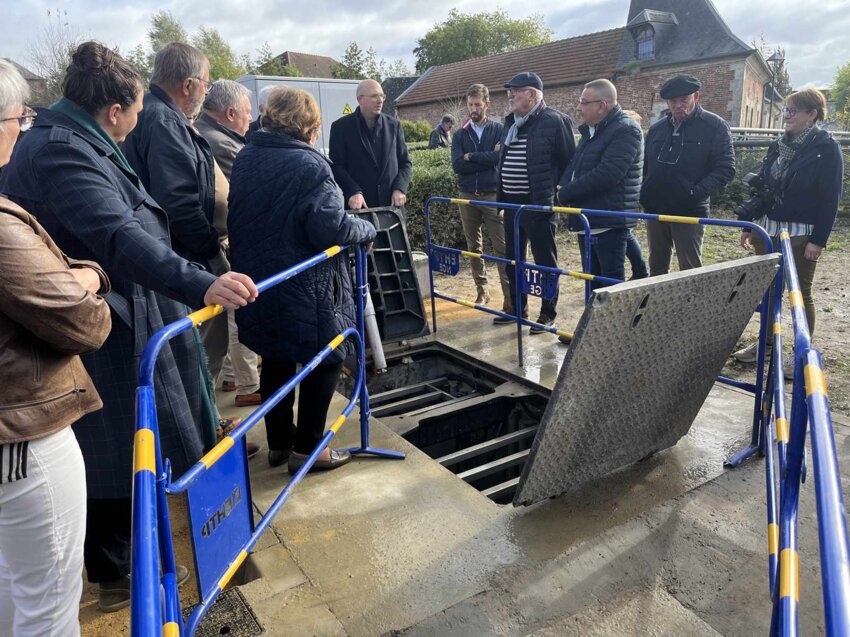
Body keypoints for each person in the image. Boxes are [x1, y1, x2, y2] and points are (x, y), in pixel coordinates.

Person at [0, 41, 258, 613]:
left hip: (127, 310)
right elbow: (119, 233)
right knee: (112, 454)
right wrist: (198, 282)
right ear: (113, 111)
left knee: (128, 450)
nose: (138, 123)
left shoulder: (76, 140)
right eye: (135, 111)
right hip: (106, 327)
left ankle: (129, 563)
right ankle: (118, 575)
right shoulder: (60, 152)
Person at [0, 58, 111, 637]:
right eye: (19, 117)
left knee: (13, 588)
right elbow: (84, 324)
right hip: (23, 435)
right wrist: (89, 281)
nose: (23, 128)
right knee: (48, 604)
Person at [229, 87, 376, 472]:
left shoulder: (248, 156)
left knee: (276, 358)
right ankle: (308, 450)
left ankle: (279, 442)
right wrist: (365, 230)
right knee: (329, 356)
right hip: (305, 284)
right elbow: (330, 226)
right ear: (309, 125)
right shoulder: (309, 165)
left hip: (261, 281)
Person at [122, 43, 235, 409]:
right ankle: (206, 428)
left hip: (175, 253)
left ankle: (206, 421)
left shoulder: (156, 115)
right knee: (197, 347)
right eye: (205, 83)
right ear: (187, 85)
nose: (207, 90)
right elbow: (178, 203)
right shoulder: (164, 121)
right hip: (184, 255)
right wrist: (211, 251)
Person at [733, 89, 843, 367]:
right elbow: (763, 186)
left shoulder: (826, 148)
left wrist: (818, 240)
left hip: (800, 232)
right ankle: (766, 345)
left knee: (799, 293)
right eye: (785, 111)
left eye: (792, 111)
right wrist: (749, 223)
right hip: (767, 227)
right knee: (768, 290)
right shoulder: (778, 145)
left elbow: (831, 197)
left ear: (812, 114)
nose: (786, 116)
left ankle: (801, 354)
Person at [195, 80, 262, 410]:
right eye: (248, 113)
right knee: (238, 311)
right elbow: (252, 191)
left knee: (224, 318)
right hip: (220, 243)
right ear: (231, 112)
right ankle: (248, 384)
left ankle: (230, 378)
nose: (250, 120)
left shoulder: (206, 133)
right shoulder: (221, 144)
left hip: (216, 241)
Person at [492, 72, 575, 332]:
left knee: (544, 262)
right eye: (510, 91)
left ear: (532, 94)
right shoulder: (510, 122)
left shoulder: (555, 121)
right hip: (511, 206)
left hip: (538, 206)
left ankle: (547, 313)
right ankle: (518, 309)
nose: (510, 96)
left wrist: (556, 195)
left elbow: (570, 161)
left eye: (515, 91)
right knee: (513, 260)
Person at [641, 74, 735, 275]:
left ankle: (692, 305)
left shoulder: (714, 126)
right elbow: (645, 165)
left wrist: (694, 193)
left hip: (689, 210)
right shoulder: (657, 129)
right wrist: (645, 191)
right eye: (673, 101)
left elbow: (725, 168)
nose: (678, 105)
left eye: (684, 99)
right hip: (656, 207)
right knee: (656, 264)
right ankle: (658, 305)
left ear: (696, 97)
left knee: (689, 267)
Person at [557, 80, 643, 290]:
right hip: (588, 216)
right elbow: (575, 163)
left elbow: (608, 174)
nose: (579, 107)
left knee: (610, 283)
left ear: (602, 105)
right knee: (592, 280)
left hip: (609, 218)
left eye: (584, 102)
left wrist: (565, 193)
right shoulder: (593, 130)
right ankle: (596, 322)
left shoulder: (625, 130)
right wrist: (562, 185)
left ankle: (619, 323)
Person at [451, 84, 510, 307]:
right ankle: (482, 291)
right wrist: (485, 157)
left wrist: (471, 156)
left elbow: (499, 158)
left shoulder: (499, 129)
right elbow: (457, 166)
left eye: (477, 104)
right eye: (470, 104)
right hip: (467, 195)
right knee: (473, 247)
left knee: (501, 248)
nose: (473, 108)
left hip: (492, 195)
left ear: (487, 104)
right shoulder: (459, 134)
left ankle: (509, 296)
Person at [329, 78, 412, 210]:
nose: (380, 100)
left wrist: (400, 188)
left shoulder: (394, 125)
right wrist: (353, 191)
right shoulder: (341, 127)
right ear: (360, 99)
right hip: (359, 207)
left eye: (382, 96)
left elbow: (405, 163)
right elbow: (337, 166)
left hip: (392, 207)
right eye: (374, 96)